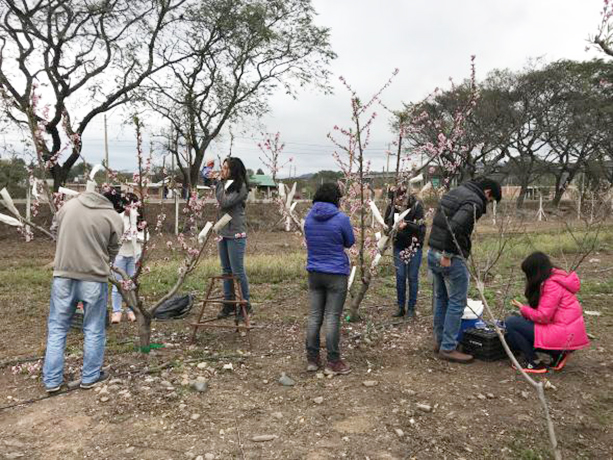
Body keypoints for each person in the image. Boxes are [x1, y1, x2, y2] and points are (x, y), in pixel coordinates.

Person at [43, 189, 123, 393]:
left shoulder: (68, 206)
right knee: (94, 329)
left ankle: (51, 381)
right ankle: (90, 377)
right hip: (93, 279)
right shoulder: (112, 217)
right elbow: (114, 249)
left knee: (57, 329)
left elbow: (54, 230)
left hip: (63, 275)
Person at [427, 177, 501, 363]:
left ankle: (440, 341)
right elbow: (455, 227)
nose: (487, 204)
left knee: (442, 299)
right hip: (449, 256)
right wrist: (447, 255)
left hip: (432, 251)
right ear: (488, 193)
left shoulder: (455, 192)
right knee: (457, 302)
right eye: (490, 201)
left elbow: (440, 222)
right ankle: (448, 348)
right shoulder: (474, 202)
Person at [505, 252, 590, 373]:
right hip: (568, 336)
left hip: (564, 336)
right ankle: (558, 355)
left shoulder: (551, 285)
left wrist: (523, 308)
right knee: (514, 333)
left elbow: (543, 316)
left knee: (512, 322)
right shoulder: (555, 278)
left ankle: (534, 362)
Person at [304, 183, 355, 375]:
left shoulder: (308, 217)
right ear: (336, 199)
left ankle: (312, 358)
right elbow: (349, 242)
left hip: (314, 272)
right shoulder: (341, 218)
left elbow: (309, 240)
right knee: (332, 317)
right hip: (335, 273)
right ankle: (333, 361)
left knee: (315, 315)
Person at [215, 157, 251, 320]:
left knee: (238, 271)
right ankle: (229, 303)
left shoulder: (240, 187)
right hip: (223, 231)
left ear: (233, 170)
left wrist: (219, 183)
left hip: (236, 233)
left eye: (226, 168)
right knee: (226, 270)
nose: (223, 171)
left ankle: (245, 304)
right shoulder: (225, 185)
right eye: (222, 167)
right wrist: (220, 184)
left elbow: (224, 203)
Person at [384, 185, 426, 318]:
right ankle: (400, 307)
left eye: (399, 198)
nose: (397, 202)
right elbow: (387, 224)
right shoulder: (391, 207)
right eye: (394, 199)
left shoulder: (416, 206)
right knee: (400, 277)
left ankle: (411, 308)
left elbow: (421, 228)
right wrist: (387, 227)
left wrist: (407, 224)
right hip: (399, 246)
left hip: (414, 247)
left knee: (412, 277)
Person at [111, 192, 144, 324]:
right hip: (120, 254)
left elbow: (145, 236)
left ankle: (131, 310)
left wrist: (137, 238)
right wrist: (124, 237)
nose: (130, 208)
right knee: (118, 284)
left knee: (131, 284)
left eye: (133, 205)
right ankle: (116, 312)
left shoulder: (139, 219)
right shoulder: (117, 218)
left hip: (134, 254)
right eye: (128, 205)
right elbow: (113, 236)